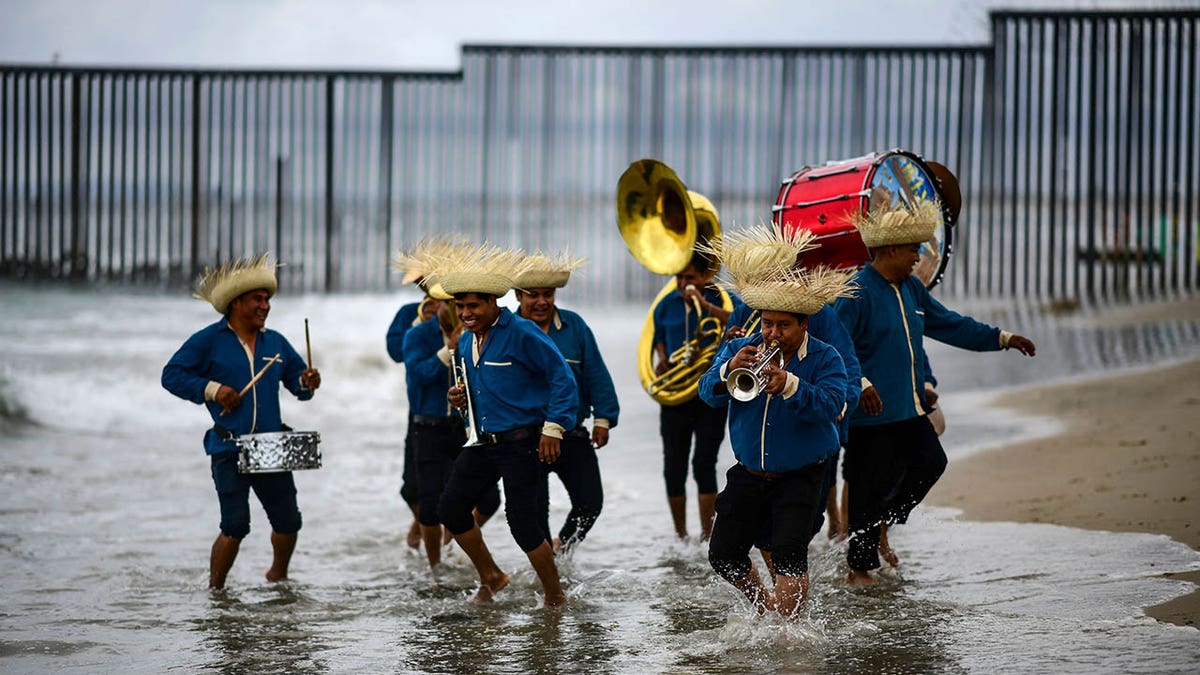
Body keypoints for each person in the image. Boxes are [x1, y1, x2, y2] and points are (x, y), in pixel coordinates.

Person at [834, 199, 1036, 585]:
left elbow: (950, 325)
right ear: (892, 249)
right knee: (864, 489)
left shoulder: (911, 288)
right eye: (914, 249)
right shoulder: (854, 291)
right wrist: (859, 383)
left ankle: (882, 526)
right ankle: (858, 571)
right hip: (869, 413)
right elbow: (838, 346)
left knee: (931, 463)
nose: (919, 256)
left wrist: (1003, 338)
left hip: (908, 409)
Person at [699, 233, 854, 618]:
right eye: (767, 324)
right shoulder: (741, 349)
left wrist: (789, 384)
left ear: (804, 324)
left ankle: (791, 633)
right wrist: (727, 370)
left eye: (783, 326)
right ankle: (766, 609)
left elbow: (833, 404)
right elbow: (706, 392)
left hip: (800, 475)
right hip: (749, 472)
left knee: (788, 557)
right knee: (723, 554)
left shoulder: (824, 357)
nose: (772, 334)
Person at [161, 254, 321, 590]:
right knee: (235, 526)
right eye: (257, 300)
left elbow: (298, 385)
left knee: (289, 522)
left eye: (267, 300)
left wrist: (307, 382)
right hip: (227, 446)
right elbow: (171, 375)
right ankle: (215, 591)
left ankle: (278, 576)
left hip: (270, 446)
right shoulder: (208, 340)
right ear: (236, 304)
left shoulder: (275, 342)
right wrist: (213, 389)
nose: (265, 306)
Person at [432, 244, 579, 606]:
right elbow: (478, 387)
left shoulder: (523, 333)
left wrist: (553, 428)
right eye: (460, 306)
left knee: (523, 526)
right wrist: (460, 398)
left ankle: (555, 597)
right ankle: (492, 576)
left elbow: (563, 379)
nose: (465, 313)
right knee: (449, 509)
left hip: (521, 443)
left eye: (473, 306)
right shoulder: (466, 339)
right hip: (482, 442)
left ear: (493, 303)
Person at [513, 252, 620, 554]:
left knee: (590, 503)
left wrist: (603, 418)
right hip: (526, 436)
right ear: (518, 295)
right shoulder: (506, 330)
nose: (542, 302)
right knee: (536, 512)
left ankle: (563, 550)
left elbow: (596, 373)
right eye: (533, 295)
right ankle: (549, 573)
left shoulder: (575, 326)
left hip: (571, 431)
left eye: (548, 294)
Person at [401, 280, 502, 570]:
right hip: (427, 426)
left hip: (465, 427)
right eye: (449, 305)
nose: (454, 312)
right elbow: (418, 375)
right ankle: (435, 569)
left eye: (456, 304)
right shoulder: (417, 335)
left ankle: (451, 542)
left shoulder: (478, 334)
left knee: (490, 498)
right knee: (429, 505)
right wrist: (449, 350)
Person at [652, 250, 744, 540]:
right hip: (676, 397)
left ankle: (708, 535)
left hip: (710, 396)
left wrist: (704, 305)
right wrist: (663, 359)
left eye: (689, 277)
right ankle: (681, 536)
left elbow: (742, 321)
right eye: (679, 277)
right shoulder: (665, 305)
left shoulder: (723, 298)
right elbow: (658, 341)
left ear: (706, 275)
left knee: (704, 463)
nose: (683, 284)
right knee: (673, 467)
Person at [386, 266, 438, 550]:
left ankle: (449, 533)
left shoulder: (463, 310)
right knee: (412, 486)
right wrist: (421, 326)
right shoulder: (410, 313)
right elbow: (395, 353)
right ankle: (422, 522)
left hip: (460, 409)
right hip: (420, 407)